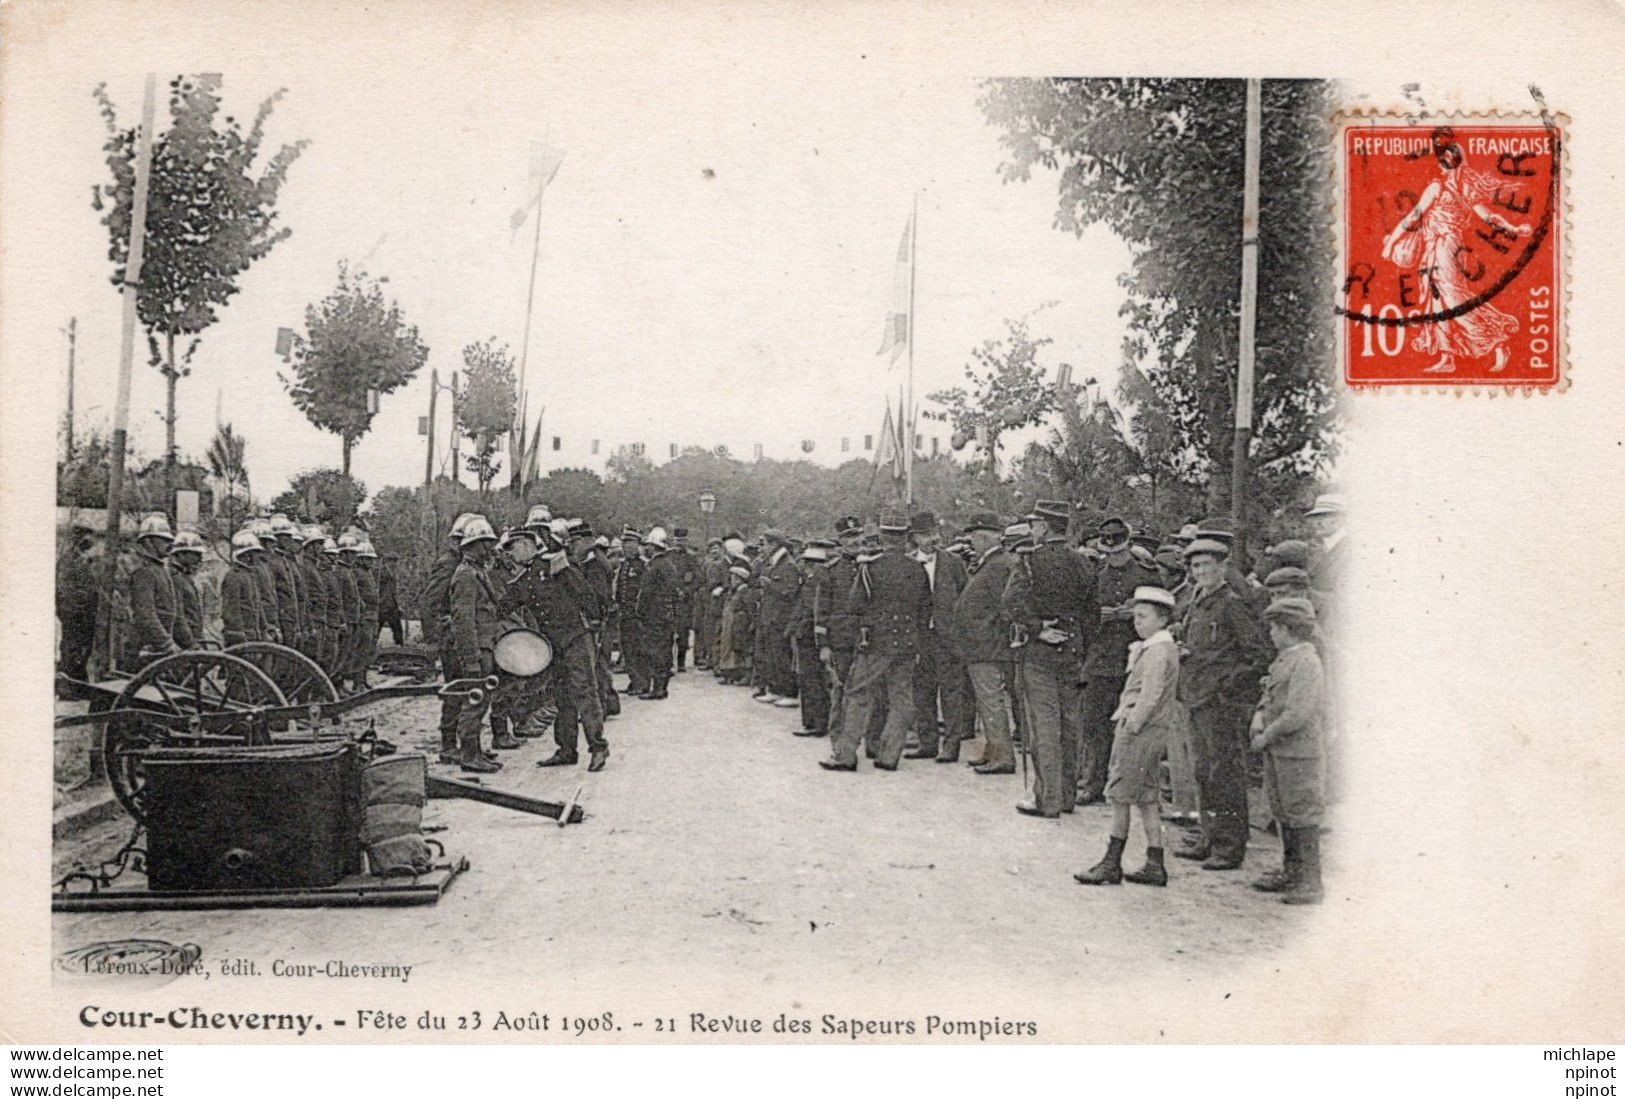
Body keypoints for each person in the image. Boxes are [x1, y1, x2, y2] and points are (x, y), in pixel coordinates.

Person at [1175, 537, 1272, 870]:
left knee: (1225, 773)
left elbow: (1258, 655)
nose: (1201, 571)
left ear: (1222, 567)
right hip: (1196, 697)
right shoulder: (1196, 601)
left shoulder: (1231, 603)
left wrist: (1227, 686)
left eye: (1208, 565)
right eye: (1196, 565)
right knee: (1203, 771)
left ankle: (1230, 846)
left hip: (1219, 703)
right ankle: (1210, 836)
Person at [1075, 587, 1182, 887]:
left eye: (1144, 616)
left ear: (1162, 619)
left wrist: (1131, 725)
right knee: (1147, 797)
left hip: (1140, 729)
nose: (1137, 622)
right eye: (1135, 615)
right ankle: (1154, 860)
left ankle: (1112, 861)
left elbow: (1150, 694)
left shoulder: (1158, 650)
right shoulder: (1156, 647)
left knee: (1120, 793)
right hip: (1151, 729)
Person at [1005, 503, 1098, 814]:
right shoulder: (1084, 564)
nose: (1032, 529)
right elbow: (1092, 615)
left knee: (1043, 727)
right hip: (1073, 651)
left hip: (1040, 652)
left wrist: (1037, 628)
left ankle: (1048, 799)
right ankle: (1068, 796)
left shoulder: (1029, 561)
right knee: (1070, 726)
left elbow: (1010, 604)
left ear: (1044, 527)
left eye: (1034, 524)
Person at [820, 516, 930, 773]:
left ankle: (845, 754)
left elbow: (854, 604)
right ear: (905, 538)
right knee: (901, 697)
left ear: (882, 537)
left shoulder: (870, 568)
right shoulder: (918, 569)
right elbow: (925, 609)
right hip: (907, 641)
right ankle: (890, 755)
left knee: (858, 695)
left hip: (875, 642)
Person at [1248, 597, 1328, 904]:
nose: (1270, 633)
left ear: (1287, 629)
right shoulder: (1285, 659)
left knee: (1303, 813)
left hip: (1298, 751)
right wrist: (1259, 719)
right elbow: (1270, 696)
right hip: (1280, 751)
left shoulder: (1306, 662)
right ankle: (1291, 871)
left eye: (1274, 627)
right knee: (1283, 811)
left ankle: (1310, 881)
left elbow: (1298, 713)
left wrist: (1266, 735)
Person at [1076, 516, 1161, 805]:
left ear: (1128, 545)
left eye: (1119, 553)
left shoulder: (1145, 575)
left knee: (1129, 725)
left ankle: (1125, 784)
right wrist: (1097, 616)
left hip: (1133, 659)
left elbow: (1163, 614)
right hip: (1100, 658)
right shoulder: (1094, 575)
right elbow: (1082, 616)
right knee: (1094, 724)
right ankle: (1093, 783)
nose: (1114, 558)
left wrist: (1133, 612)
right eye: (1109, 554)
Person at [947, 512, 1016, 771]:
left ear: (985, 537)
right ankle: (993, 750)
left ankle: (1002, 756)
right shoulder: (992, 563)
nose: (973, 542)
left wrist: (987, 632)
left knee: (991, 701)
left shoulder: (998, 565)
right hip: (982, 645)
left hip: (987, 646)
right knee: (988, 700)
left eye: (975, 537)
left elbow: (1004, 606)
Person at [906, 511, 972, 761]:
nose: (932, 539)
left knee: (951, 693)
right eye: (925, 535)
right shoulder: (908, 562)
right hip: (919, 638)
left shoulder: (954, 563)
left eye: (934, 533)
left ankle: (951, 746)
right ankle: (927, 743)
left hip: (948, 639)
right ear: (914, 538)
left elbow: (966, 598)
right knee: (922, 692)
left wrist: (960, 633)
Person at [448, 517, 503, 773]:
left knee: (481, 702)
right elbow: (463, 621)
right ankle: (469, 755)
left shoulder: (477, 572)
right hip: (477, 650)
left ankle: (476, 751)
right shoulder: (465, 576)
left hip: (485, 646)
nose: (490, 549)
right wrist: (470, 659)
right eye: (486, 544)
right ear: (474, 545)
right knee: (474, 701)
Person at [788, 541, 833, 737]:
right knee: (814, 680)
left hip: (807, 637)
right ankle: (818, 721)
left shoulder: (814, 582)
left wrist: (796, 630)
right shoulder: (815, 581)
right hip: (810, 635)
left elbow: (808, 611)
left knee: (810, 680)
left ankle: (815, 722)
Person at [127, 514, 181, 665]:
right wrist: (166, 644)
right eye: (163, 540)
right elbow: (145, 614)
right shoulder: (143, 572)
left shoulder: (160, 570)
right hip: (146, 648)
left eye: (170, 540)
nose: (169, 544)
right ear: (148, 542)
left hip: (159, 649)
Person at [755, 528, 801, 706]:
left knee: (782, 655)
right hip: (770, 616)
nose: (763, 548)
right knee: (772, 655)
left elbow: (790, 592)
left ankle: (789, 692)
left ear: (775, 544)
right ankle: (775, 689)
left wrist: (770, 586)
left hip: (780, 618)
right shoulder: (774, 563)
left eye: (765, 544)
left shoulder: (788, 565)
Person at [636, 527, 680, 700]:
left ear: (653, 547)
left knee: (655, 651)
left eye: (648, 546)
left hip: (654, 615)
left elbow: (645, 592)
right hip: (666, 614)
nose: (646, 548)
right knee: (664, 650)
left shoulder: (653, 566)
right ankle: (661, 686)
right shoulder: (669, 565)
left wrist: (640, 611)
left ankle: (658, 688)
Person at [56, 527, 100, 680]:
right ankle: (68, 684)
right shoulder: (68, 560)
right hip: (74, 613)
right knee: (72, 647)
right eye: (87, 538)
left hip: (84, 612)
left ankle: (78, 680)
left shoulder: (82, 560)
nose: (91, 543)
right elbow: (65, 589)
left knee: (82, 648)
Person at [615, 528, 649, 695]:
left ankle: (642, 682)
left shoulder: (642, 564)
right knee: (627, 649)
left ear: (638, 544)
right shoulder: (624, 564)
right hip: (625, 613)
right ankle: (634, 680)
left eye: (630, 543)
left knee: (638, 649)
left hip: (637, 615)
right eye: (624, 543)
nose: (626, 546)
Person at [221, 530, 267, 646]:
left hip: (252, 636)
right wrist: (239, 637)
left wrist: (263, 629)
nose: (258, 556)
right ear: (247, 555)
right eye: (255, 552)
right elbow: (231, 610)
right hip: (242, 639)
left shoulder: (249, 575)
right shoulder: (234, 576)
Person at [166, 530, 205, 648]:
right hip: (182, 643)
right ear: (181, 554)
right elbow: (178, 615)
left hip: (193, 637)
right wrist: (190, 643)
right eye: (196, 554)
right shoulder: (174, 578)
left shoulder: (184, 577)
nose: (200, 558)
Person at [669, 528, 698, 673]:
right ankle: (668, 661)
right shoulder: (668, 556)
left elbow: (698, 579)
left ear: (687, 541)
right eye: (678, 541)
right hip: (668, 598)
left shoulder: (691, 558)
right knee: (668, 629)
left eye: (683, 541)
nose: (680, 544)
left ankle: (681, 661)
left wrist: (686, 591)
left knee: (683, 630)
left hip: (684, 600)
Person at [355, 540, 381, 689]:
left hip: (372, 616)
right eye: (368, 559)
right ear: (361, 559)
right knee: (362, 650)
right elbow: (354, 594)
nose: (371, 562)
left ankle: (363, 679)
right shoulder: (357, 573)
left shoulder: (367, 573)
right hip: (365, 616)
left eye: (372, 559)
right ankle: (358, 681)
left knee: (369, 650)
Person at [378, 553, 403, 646]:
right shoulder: (381, 573)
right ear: (387, 561)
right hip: (381, 607)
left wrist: (398, 605)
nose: (393, 563)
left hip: (392, 607)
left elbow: (393, 592)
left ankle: (400, 649)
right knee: (375, 631)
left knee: (398, 631)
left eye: (395, 561)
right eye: (391, 561)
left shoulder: (393, 574)